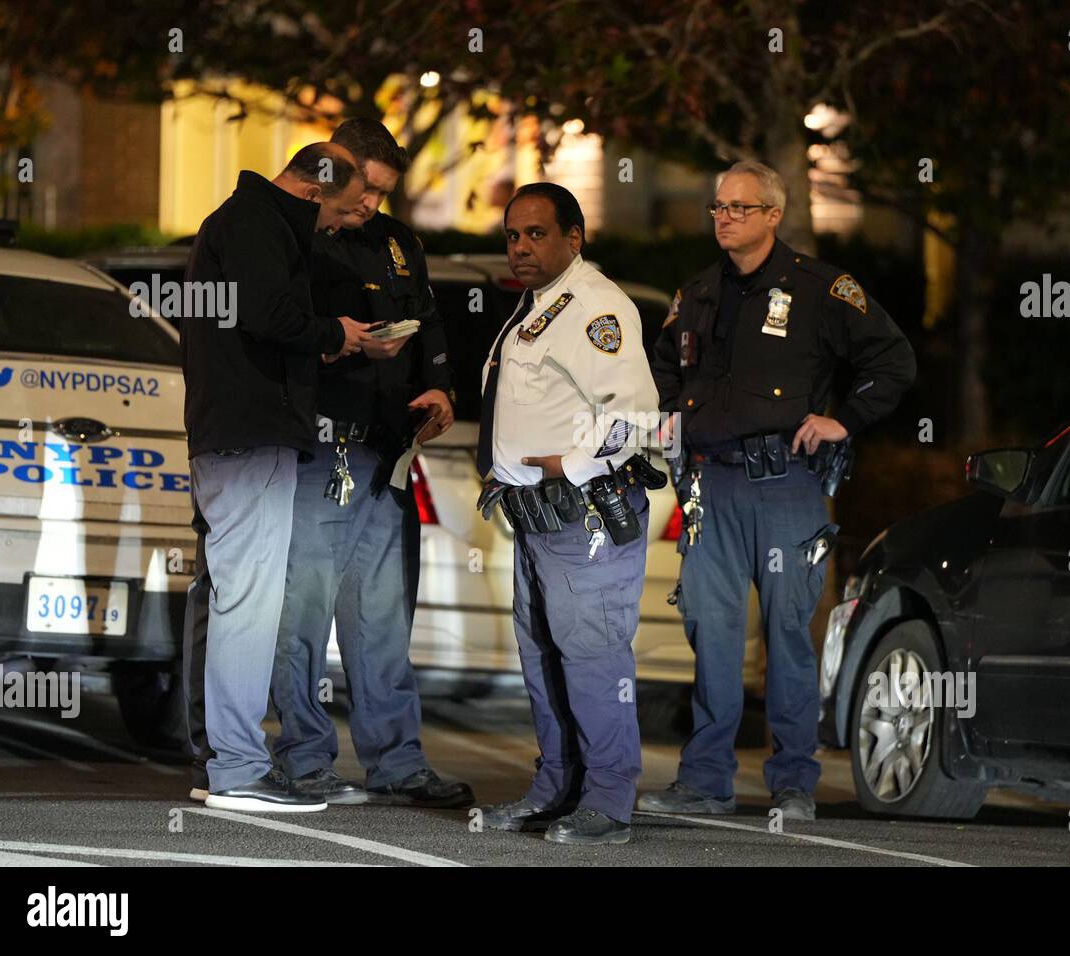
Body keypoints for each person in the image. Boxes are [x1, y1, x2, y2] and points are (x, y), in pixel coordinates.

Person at [638, 161, 916, 821]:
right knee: (712, 634)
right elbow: (661, 370)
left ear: (772, 216)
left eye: (738, 207)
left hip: (784, 485)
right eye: (717, 207)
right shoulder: (699, 292)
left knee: (789, 635)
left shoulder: (820, 289)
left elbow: (892, 360)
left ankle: (794, 783)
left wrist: (843, 419)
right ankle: (706, 781)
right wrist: (672, 425)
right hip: (713, 484)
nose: (723, 217)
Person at [268, 118, 472, 809]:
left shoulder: (397, 243)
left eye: (382, 194)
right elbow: (273, 331)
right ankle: (303, 759)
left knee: (384, 620)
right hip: (318, 449)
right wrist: (347, 346)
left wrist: (440, 386)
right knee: (303, 615)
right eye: (365, 190)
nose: (370, 206)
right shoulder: (293, 236)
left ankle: (396, 762)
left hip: (386, 452)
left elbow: (430, 321)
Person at [181, 143, 371, 812]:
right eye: (343, 212)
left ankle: (227, 762)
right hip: (250, 435)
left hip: (232, 436)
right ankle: (236, 766)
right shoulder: (258, 224)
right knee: (248, 605)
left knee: (239, 599)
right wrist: (334, 333)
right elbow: (269, 314)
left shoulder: (238, 221)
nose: (343, 225)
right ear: (316, 193)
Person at [474, 183, 661, 845]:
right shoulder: (537, 307)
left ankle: (608, 802)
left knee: (592, 657)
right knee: (544, 658)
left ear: (573, 237)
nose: (521, 247)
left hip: (580, 514)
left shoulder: (594, 306)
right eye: (512, 236)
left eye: (536, 234)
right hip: (534, 518)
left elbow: (635, 414)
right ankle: (557, 789)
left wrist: (571, 466)